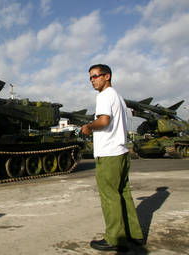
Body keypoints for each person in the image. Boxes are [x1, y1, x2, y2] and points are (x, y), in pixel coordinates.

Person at [82, 64, 144, 252]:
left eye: (96, 76)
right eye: (90, 77)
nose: (93, 80)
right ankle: (134, 234)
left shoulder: (104, 95)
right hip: (121, 152)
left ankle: (115, 239)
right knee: (124, 194)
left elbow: (104, 120)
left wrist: (88, 127)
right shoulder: (118, 97)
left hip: (109, 154)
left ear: (107, 76)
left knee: (109, 197)